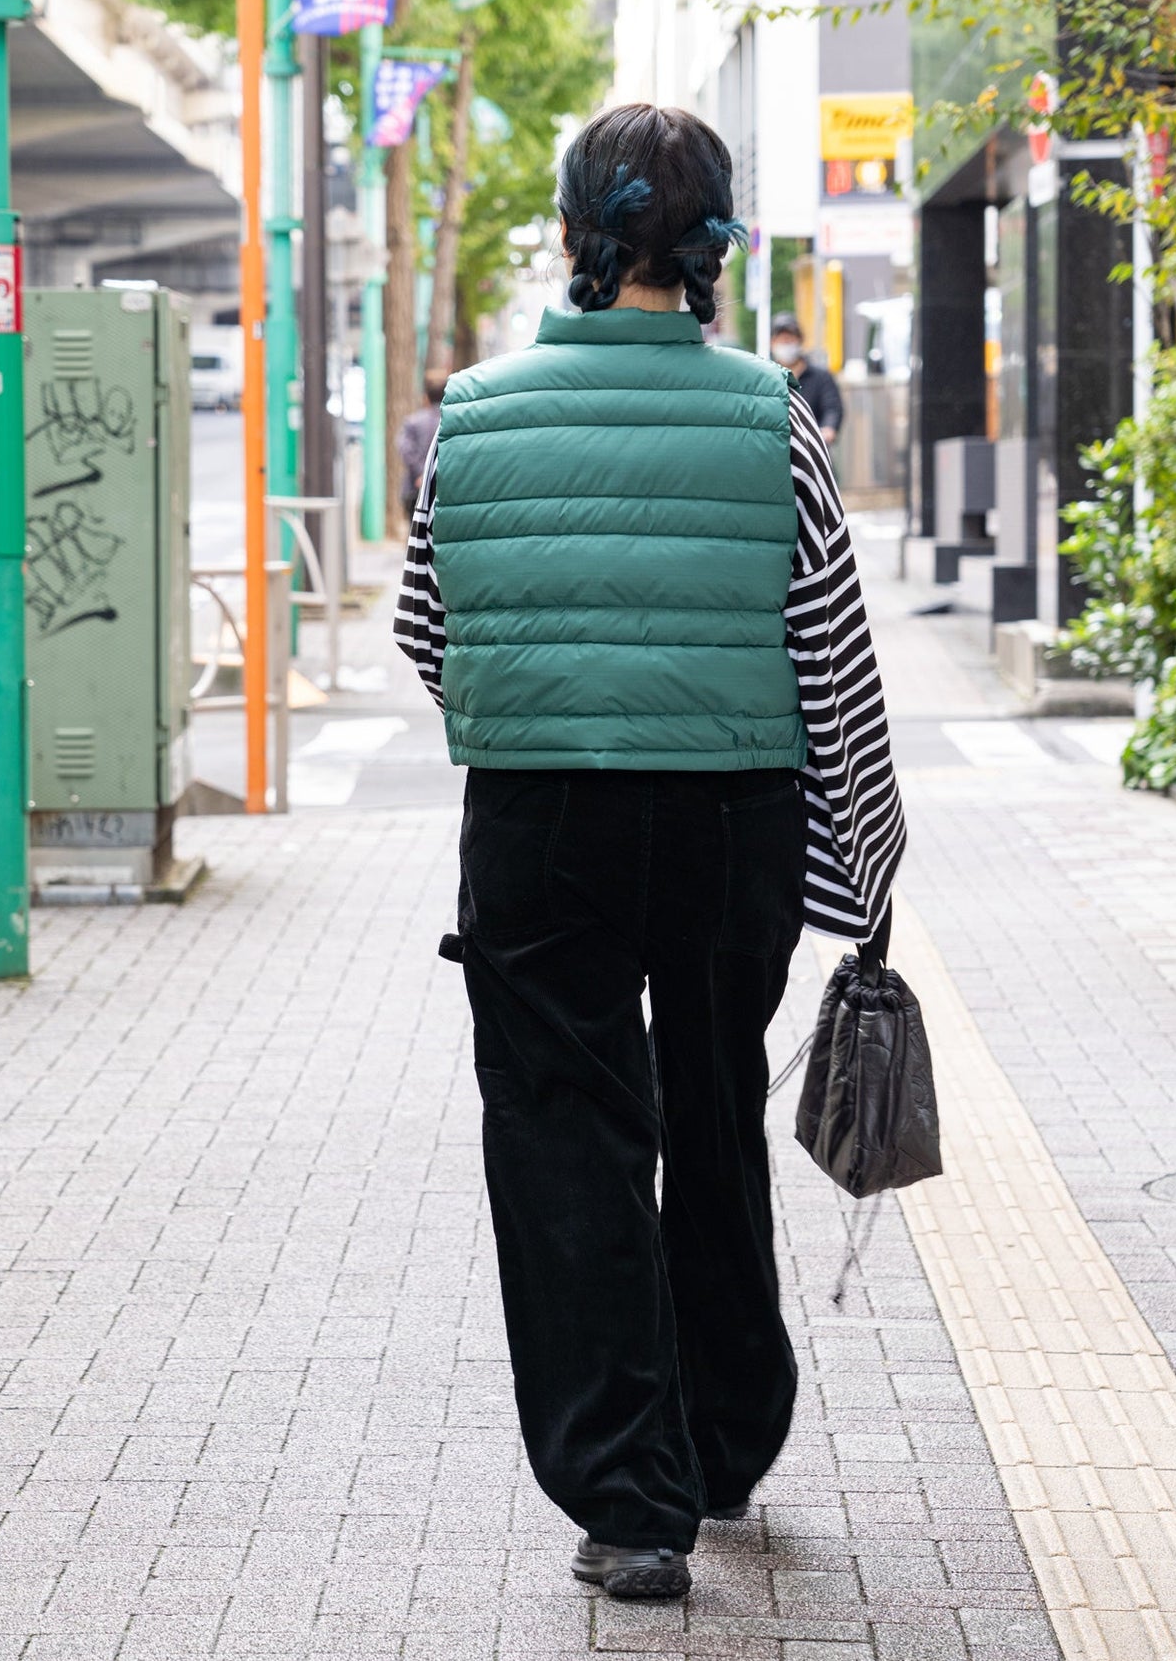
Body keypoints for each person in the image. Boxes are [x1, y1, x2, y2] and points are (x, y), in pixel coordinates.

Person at [394, 104, 904, 1602]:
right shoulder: (772, 421)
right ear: (712, 250)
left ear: (573, 235)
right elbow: (832, 662)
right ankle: (727, 1435)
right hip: (727, 818)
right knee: (710, 1103)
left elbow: (432, 636)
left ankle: (631, 1503)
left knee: (565, 1136)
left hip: (537, 820)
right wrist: (864, 874)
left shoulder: (473, 418)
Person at [770, 309, 844, 448]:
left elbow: (832, 408)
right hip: (777, 448)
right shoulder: (768, 378)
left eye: (790, 339)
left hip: (813, 447)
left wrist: (828, 429)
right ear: (772, 343)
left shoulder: (821, 377)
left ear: (799, 340)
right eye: (782, 340)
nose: (786, 344)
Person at [397, 369, 447, 525]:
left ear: (425, 396)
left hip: (415, 489)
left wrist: (421, 474)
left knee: (416, 532)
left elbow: (405, 448)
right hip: (446, 487)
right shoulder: (452, 420)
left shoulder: (413, 422)